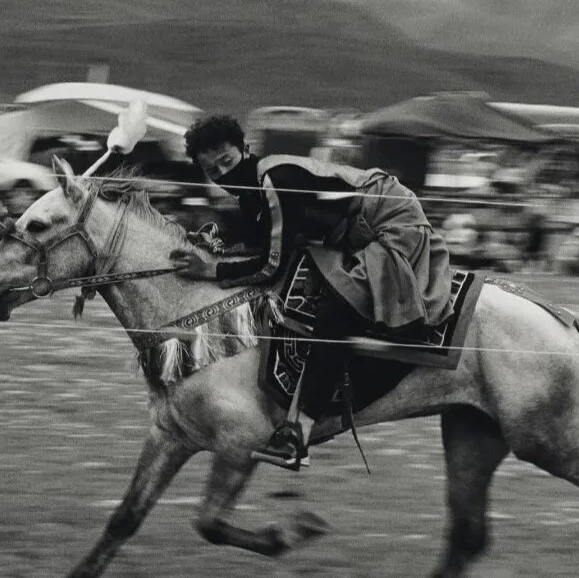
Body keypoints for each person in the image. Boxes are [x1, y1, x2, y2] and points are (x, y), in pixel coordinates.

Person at [167, 115, 454, 471]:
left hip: (390, 222)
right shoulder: (251, 192)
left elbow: (269, 265)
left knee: (336, 310)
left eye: (227, 161)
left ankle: (297, 432)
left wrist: (211, 269)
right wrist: (211, 250)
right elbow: (257, 249)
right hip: (353, 233)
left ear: (246, 150)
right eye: (213, 172)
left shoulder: (274, 180)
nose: (223, 175)